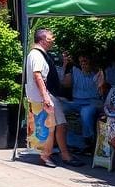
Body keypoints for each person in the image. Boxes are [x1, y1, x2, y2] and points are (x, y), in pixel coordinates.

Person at [25, 28, 82, 168]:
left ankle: (58, 154)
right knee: (52, 126)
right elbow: (38, 76)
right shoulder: (37, 55)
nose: (53, 40)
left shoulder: (37, 54)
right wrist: (46, 98)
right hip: (45, 97)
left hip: (44, 96)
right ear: (43, 40)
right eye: (51, 38)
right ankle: (50, 156)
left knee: (55, 125)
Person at [60, 52, 106, 150]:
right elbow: (65, 84)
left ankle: (88, 140)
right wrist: (65, 65)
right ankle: (64, 140)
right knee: (59, 107)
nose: (83, 64)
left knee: (86, 112)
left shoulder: (97, 72)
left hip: (93, 102)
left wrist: (100, 80)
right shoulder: (75, 70)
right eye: (80, 62)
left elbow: (102, 91)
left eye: (85, 61)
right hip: (77, 102)